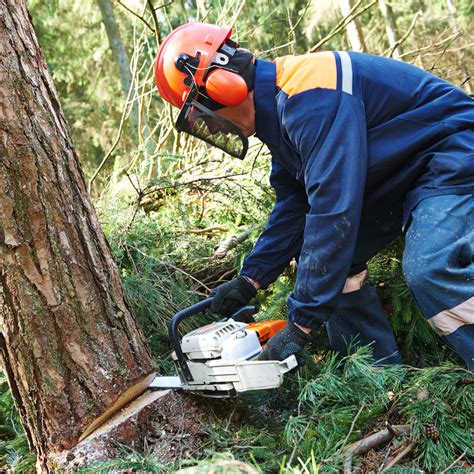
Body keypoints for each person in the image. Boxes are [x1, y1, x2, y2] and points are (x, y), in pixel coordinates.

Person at [154, 22, 474, 370]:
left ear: (223, 86)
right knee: (337, 262)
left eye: (204, 112)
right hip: (406, 170)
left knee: (431, 268)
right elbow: (295, 205)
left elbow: (332, 209)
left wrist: (300, 325)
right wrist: (250, 278)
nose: (211, 125)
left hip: (453, 152)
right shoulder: (280, 108)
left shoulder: (311, 96)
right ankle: (379, 379)